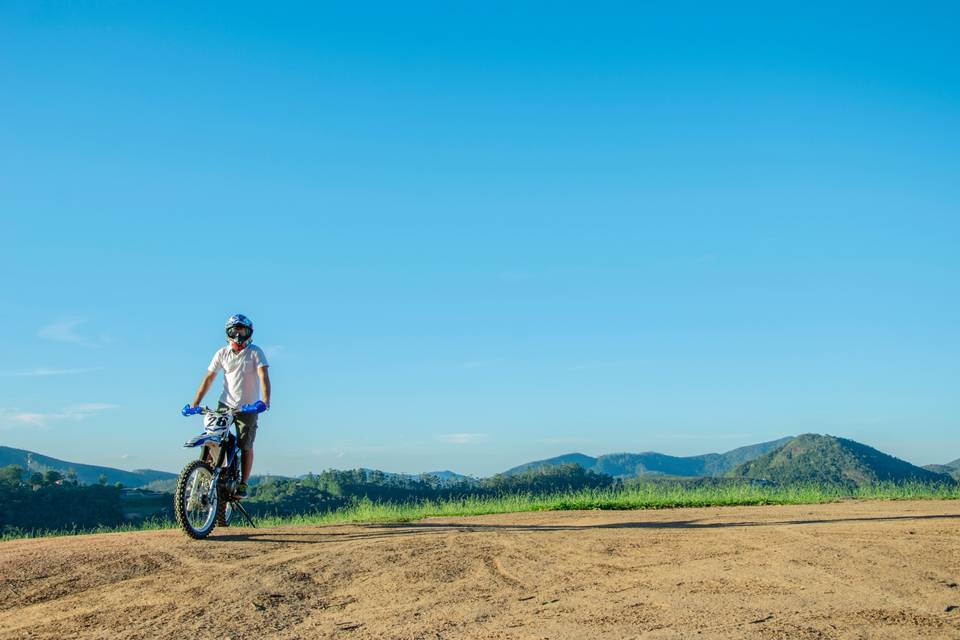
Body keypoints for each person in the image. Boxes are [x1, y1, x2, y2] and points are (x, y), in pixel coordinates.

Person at [189, 313, 270, 498]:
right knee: (213, 438)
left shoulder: (255, 352)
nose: (239, 336)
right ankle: (206, 474)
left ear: (249, 333)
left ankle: (243, 484)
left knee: (246, 444)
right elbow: (209, 378)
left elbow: (263, 376)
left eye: (243, 331)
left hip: (248, 407)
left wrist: (265, 401)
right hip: (224, 404)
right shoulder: (222, 353)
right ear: (229, 332)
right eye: (235, 331)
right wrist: (195, 404)